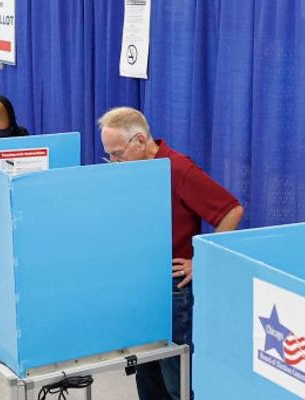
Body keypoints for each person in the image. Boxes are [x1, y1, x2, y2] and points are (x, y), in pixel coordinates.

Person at [98, 107, 244, 400]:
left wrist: (201, 261)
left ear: (139, 141)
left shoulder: (178, 169)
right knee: (147, 374)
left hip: (173, 289)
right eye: (109, 155)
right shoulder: (136, 169)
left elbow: (231, 210)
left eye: (117, 154)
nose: (113, 161)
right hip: (145, 285)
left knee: (176, 379)